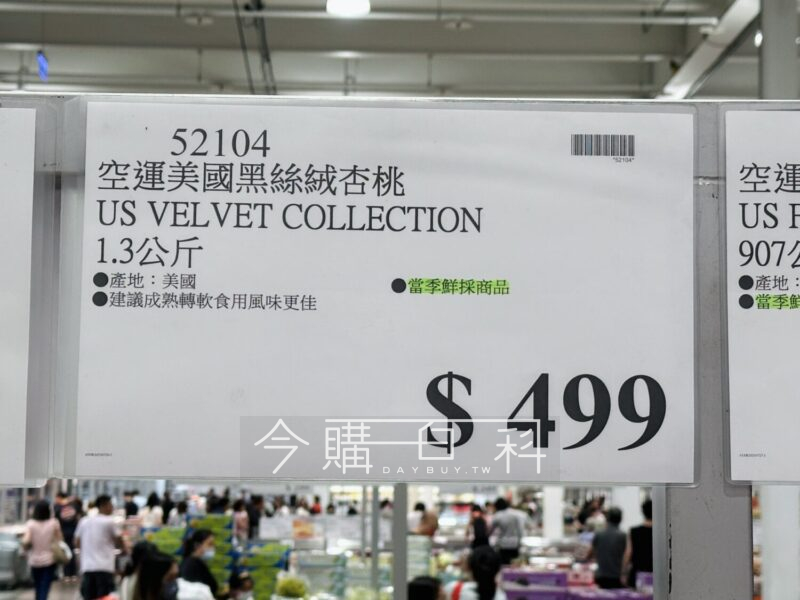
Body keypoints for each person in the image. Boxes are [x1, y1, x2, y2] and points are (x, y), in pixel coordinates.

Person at [75, 495, 123, 600]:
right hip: (105, 567)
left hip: (87, 567)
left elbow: (77, 542)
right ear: (103, 506)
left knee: (88, 596)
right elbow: (119, 540)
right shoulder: (110, 521)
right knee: (104, 597)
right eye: (110, 505)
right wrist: (124, 550)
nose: (112, 508)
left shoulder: (84, 521)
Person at [23, 500, 64, 600]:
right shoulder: (54, 523)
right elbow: (60, 539)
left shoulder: (31, 524)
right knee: (45, 587)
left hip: (34, 560)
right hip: (49, 560)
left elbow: (26, 540)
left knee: (37, 586)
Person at [590, 507, 627, 589]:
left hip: (600, 575)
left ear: (607, 519)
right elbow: (626, 556)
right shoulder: (623, 536)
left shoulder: (599, 534)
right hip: (617, 576)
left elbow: (590, 553)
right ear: (620, 519)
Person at [624, 499, 653, 589]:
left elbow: (628, 553)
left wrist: (623, 573)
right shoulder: (661, 532)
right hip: (656, 573)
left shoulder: (634, 531)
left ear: (643, 512)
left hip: (637, 573)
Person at [180, 529, 218, 597]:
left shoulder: (199, 563)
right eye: (210, 544)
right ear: (197, 545)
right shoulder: (190, 565)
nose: (213, 547)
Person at [489, 498, 526, 565]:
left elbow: (490, 530)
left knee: (504, 564)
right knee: (514, 564)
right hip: (515, 543)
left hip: (503, 544)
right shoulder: (515, 513)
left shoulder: (498, 515)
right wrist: (520, 540)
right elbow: (520, 529)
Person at [57, 496, 83, 581]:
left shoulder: (60, 509)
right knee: (72, 554)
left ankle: (66, 574)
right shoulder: (75, 509)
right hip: (73, 533)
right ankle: (73, 573)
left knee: (66, 553)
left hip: (64, 534)